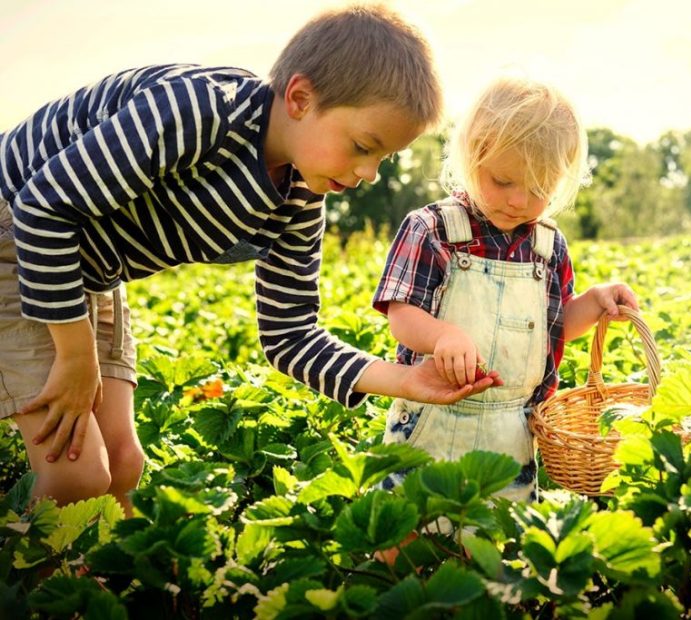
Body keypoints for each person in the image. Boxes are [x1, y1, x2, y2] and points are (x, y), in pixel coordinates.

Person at [0, 4, 500, 516]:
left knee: (124, 464)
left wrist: (404, 381)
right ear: (301, 98)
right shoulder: (200, 109)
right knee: (76, 473)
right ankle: (31, 591)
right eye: (362, 146)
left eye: (383, 158)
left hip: (90, 268)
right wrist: (76, 355)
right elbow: (44, 206)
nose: (369, 173)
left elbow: (291, 334)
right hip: (17, 231)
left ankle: (99, 585)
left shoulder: (301, 193)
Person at [372, 76, 640, 502]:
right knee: (408, 534)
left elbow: (550, 330)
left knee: (498, 551)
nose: (518, 201)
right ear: (471, 155)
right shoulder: (433, 229)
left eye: (538, 189)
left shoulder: (547, 248)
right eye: (502, 180)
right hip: (430, 422)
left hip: (510, 435)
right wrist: (443, 335)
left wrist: (593, 303)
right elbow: (402, 316)